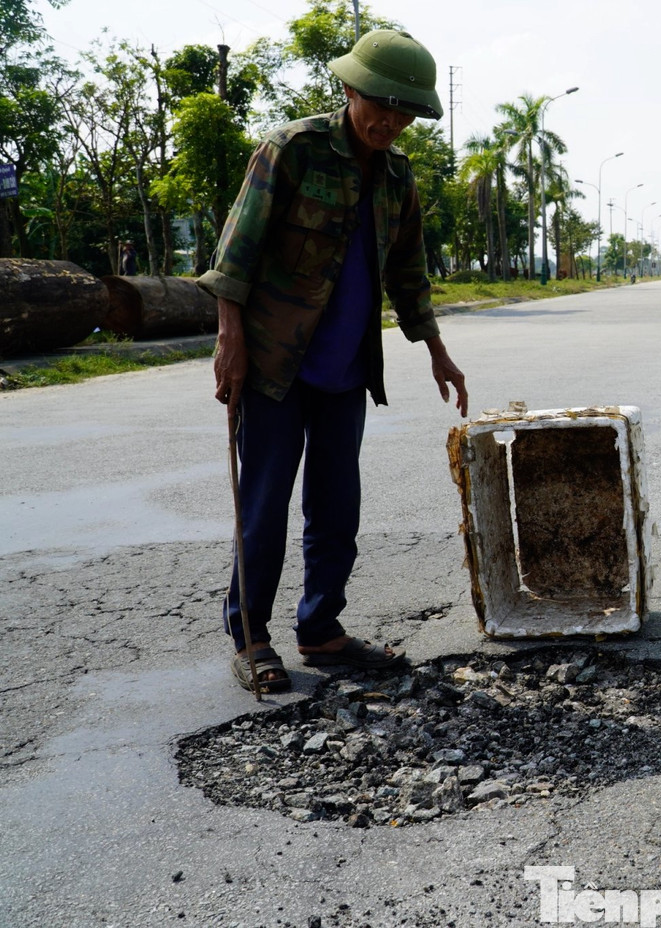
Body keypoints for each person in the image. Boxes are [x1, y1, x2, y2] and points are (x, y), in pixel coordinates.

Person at [199, 29, 468, 693]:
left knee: (337, 508)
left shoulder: (398, 177)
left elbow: (410, 273)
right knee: (263, 507)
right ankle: (251, 637)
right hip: (272, 366)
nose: (389, 120)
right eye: (380, 103)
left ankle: (321, 630)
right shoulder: (289, 151)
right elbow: (235, 259)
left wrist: (437, 350)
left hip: (346, 371)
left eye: (404, 111)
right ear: (349, 91)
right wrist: (229, 339)